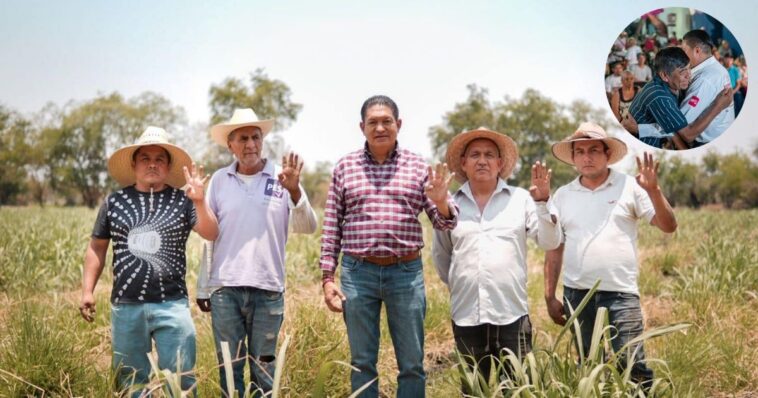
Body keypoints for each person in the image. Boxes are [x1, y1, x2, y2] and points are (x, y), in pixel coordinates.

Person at [319, 95, 458, 397]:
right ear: (362, 127)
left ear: (399, 124)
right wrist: (327, 278)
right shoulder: (345, 167)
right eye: (373, 122)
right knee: (362, 362)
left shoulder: (419, 167)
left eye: (386, 121)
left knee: (411, 362)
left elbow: (443, 222)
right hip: (357, 274)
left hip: (406, 274)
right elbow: (331, 226)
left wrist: (442, 201)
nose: (380, 127)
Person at [80, 126, 219, 396]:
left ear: (168, 166)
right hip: (126, 307)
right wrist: (87, 290)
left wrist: (200, 201)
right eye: (145, 158)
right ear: (134, 164)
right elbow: (97, 247)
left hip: (173, 305)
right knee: (131, 384)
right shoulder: (114, 202)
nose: (152, 164)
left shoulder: (184, 200)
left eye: (160, 159)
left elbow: (211, 232)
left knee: (180, 383)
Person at [544, 122, 677, 387]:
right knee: (588, 364)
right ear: (573, 158)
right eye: (580, 152)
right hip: (577, 295)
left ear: (607, 155)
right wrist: (549, 295)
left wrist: (654, 190)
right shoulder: (563, 195)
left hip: (621, 293)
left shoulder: (629, 186)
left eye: (594, 150)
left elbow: (668, 226)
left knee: (632, 365)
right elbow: (554, 247)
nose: (587, 157)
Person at [196, 108, 318, 397]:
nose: (249, 145)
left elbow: (308, 226)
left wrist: (295, 192)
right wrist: (204, 287)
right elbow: (210, 236)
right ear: (231, 145)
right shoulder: (220, 181)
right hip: (225, 289)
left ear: (262, 141)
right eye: (242, 139)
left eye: (255, 137)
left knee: (264, 373)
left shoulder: (283, 176)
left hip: (268, 290)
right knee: (229, 370)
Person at [432, 128, 561, 394]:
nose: (482, 160)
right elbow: (443, 257)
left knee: (517, 390)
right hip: (466, 315)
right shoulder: (449, 205)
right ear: (464, 164)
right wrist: (463, 283)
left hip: (511, 314)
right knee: (473, 390)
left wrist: (543, 202)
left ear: (500, 164)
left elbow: (550, 242)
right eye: (475, 155)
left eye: (490, 155)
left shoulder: (523, 199)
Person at [628, 30, 736, 149]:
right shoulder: (714, 69)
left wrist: (641, 129)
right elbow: (678, 127)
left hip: (707, 142)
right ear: (665, 76)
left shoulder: (705, 79)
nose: (680, 55)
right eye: (682, 71)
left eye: (683, 50)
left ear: (697, 50)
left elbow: (682, 128)